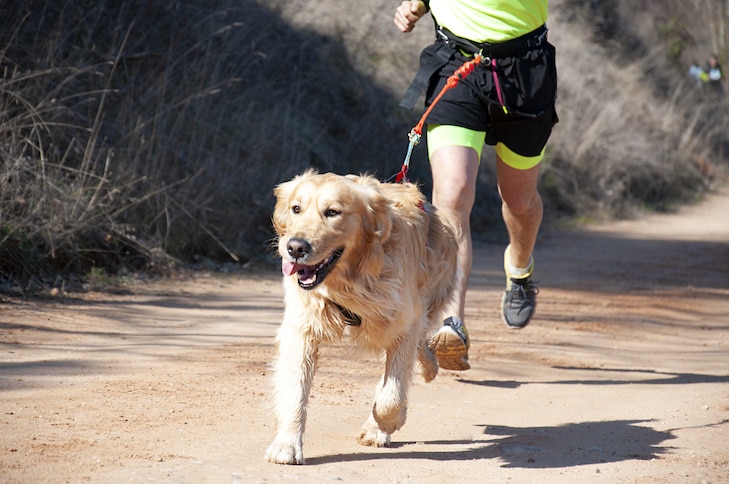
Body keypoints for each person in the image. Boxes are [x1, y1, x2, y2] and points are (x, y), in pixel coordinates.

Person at [394, 0, 558, 371]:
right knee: (451, 193)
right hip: (456, 62)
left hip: (525, 69)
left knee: (519, 200)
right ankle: (452, 322)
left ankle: (518, 269)